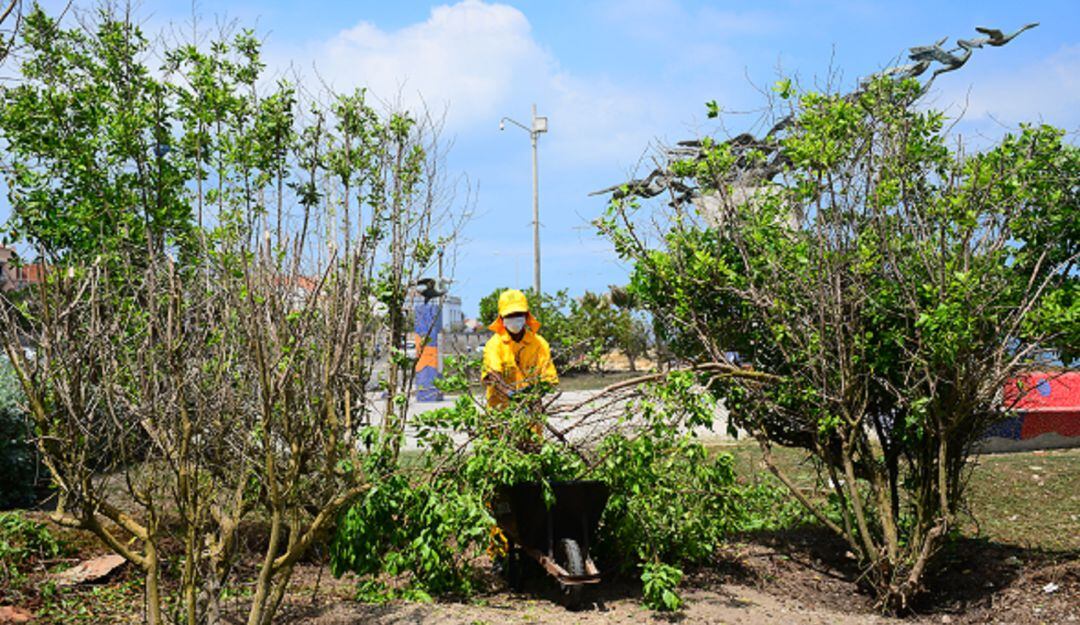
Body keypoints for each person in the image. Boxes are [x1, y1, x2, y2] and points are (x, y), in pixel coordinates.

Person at [482, 289, 559, 410]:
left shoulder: (539, 344)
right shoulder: (494, 344)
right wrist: (512, 395)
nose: (514, 318)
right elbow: (492, 376)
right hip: (501, 416)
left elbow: (548, 378)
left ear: (526, 316)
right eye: (509, 315)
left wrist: (532, 396)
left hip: (531, 415)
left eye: (518, 314)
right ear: (501, 318)